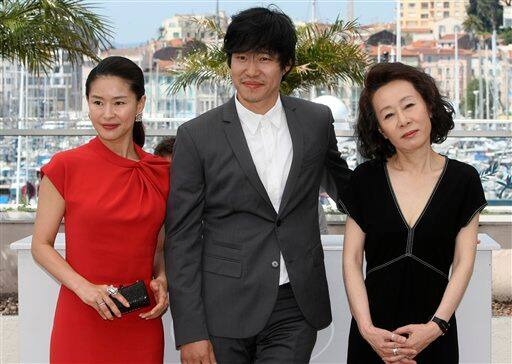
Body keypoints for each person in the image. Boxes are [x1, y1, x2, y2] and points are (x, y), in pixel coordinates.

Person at [165, 7, 351, 364]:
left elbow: (348, 191)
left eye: (264, 58)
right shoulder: (196, 135)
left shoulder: (315, 121)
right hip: (222, 305)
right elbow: (182, 237)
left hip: (295, 301)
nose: (251, 71)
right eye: (241, 58)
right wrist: (190, 331)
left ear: (286, 65)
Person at [341, 62, 487, 364]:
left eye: (409, 106)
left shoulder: (464, 180)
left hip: (435, 334)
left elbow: (463, 262)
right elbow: (352, 261)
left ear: (429, 107)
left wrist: (436, 327)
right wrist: (367, 331)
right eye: (389, 115)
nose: (404, 120)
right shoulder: (365, 179)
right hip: (373, 339)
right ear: (381, 130)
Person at [31, 56, 170, 363]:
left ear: (140, 104)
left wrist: (163, 279)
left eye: (119, 103)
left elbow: (159, 249)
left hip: (141, 319)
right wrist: (86, 290)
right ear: (88, 104)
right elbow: (40, 246)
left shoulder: (161, 172)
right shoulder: (65, 166)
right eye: (98, 102)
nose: (107, 114)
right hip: (81, 317)